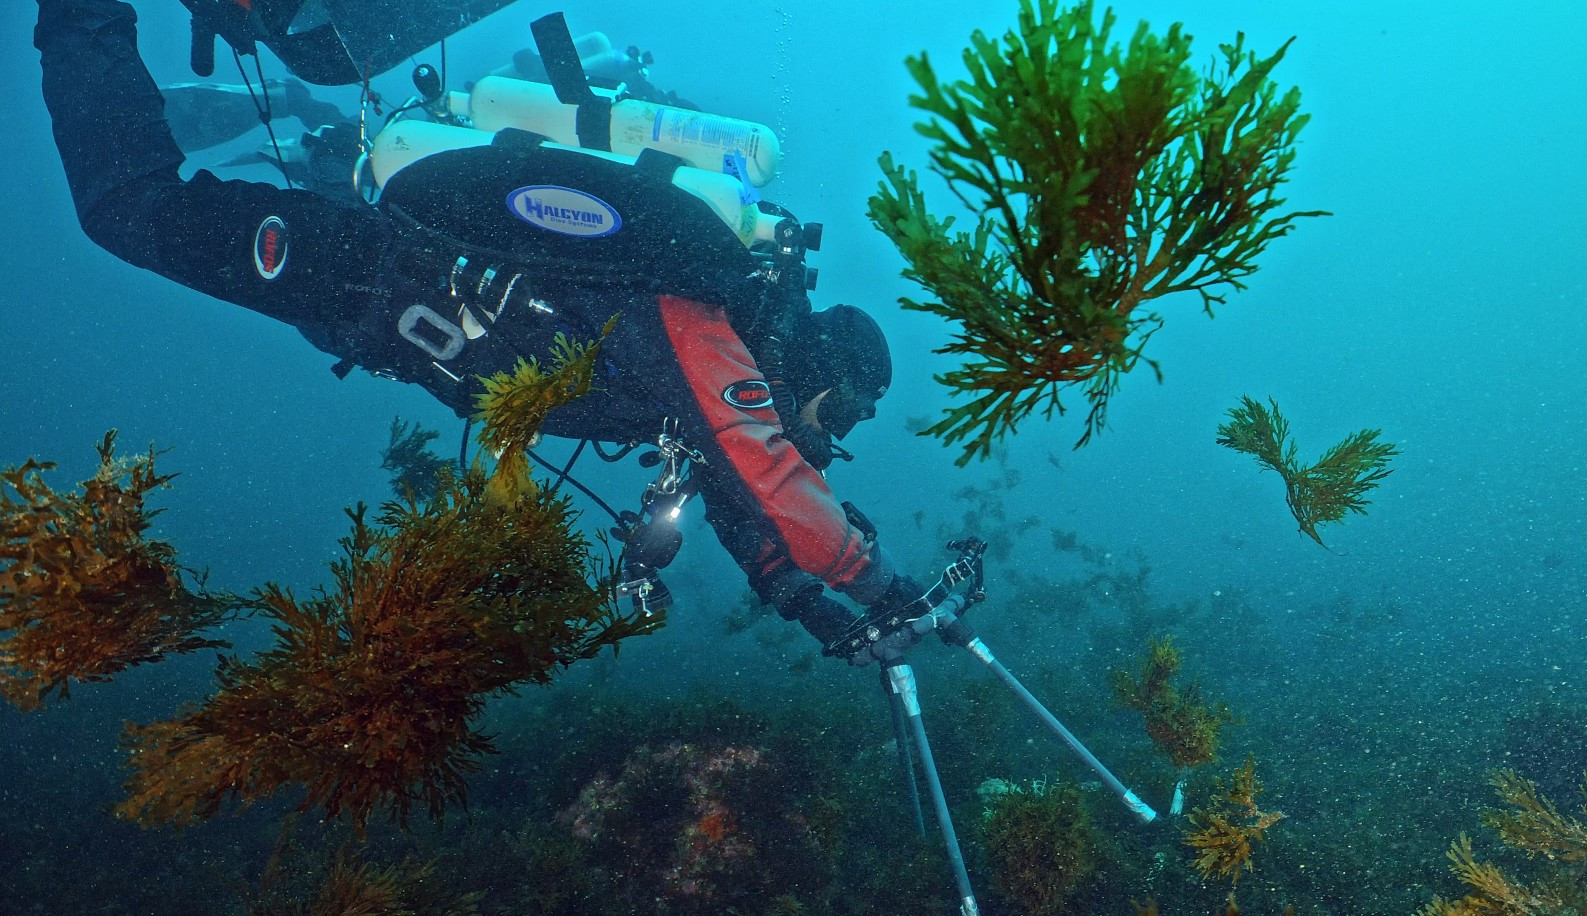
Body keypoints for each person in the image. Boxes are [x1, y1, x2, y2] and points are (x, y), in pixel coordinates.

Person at [33, 0, 959, 666]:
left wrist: (814, 609)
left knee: (245, 190)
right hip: (365, 271)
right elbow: (764, 472)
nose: (834, 429)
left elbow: (736, 500)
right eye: (844, 407)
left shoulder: (709, 357)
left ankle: (317, 131)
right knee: (131, 209)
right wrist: (887, 588)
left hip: (376, 314)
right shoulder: (706, 319)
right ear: (818, 366)